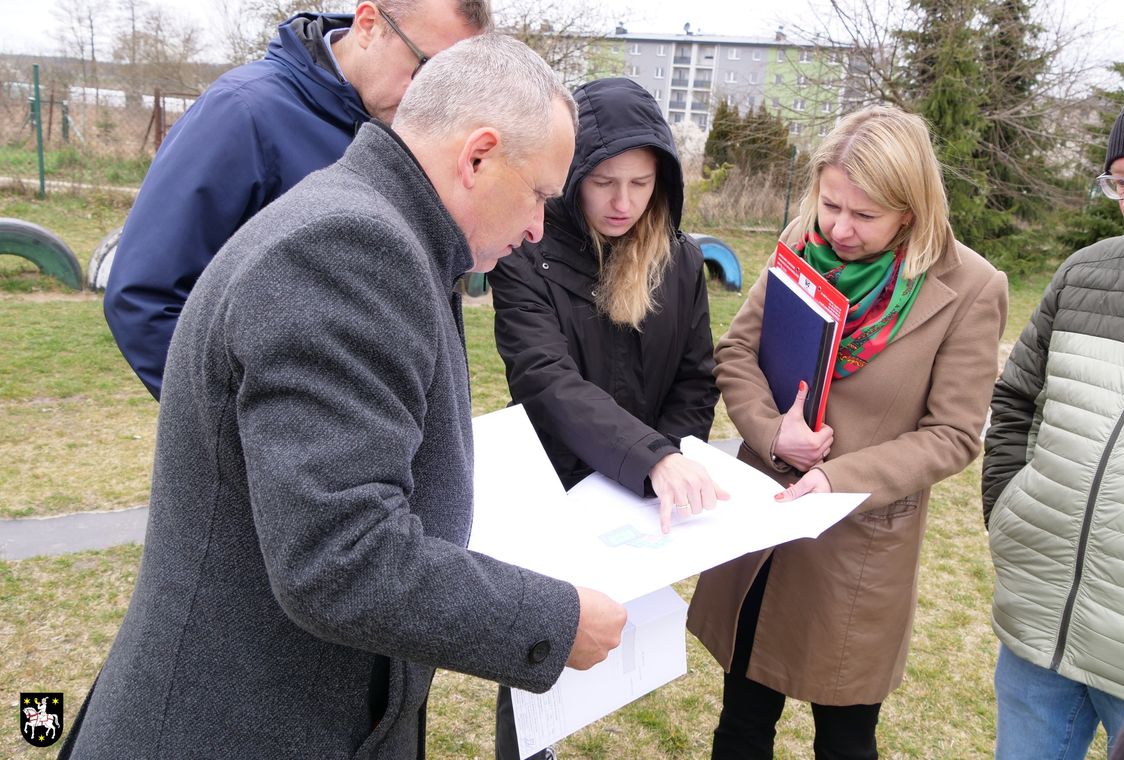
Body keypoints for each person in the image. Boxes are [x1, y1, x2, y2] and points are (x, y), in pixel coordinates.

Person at [58, 34, 627, 760]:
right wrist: (553, 620)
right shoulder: (353, 248)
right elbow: (340, 555)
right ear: (477, 156)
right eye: (542, 193)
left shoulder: (388, 230)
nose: (538, 227)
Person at [686, 106, 1009, 759]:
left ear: (910, 211)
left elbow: (952, 434)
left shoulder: (970, 288)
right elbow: (737, 354)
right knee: (743, 722)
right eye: (830, 204)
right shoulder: (802, 244)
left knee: (844, 740)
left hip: (856, 546)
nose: (838, 227)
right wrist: (775, 434)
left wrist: (836, 475)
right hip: (765, 529)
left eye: (863, 216)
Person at [487, 77, 725, 759]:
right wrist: (654, 458)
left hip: (639, 501)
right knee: (536, 670)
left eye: (642, 184)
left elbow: (694, 377)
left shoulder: (679, 260)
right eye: (603, 182)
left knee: (619, 655)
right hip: (553, 488)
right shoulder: (525, 255)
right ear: (571, 176)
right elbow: (546, 380)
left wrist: (668, 463)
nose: (622, 203)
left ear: (665, 183)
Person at [104, 0, 490, 399]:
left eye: (447, 83)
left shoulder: (410, 131)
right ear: (369, 24)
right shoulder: (242, 113)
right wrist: (246, 427)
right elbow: (145, 298)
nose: (428, 98)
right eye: (423, 67)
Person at [981, 88, 1124, 760]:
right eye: (1123, 181)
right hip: (1039, 628)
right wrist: (1008, 508)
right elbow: (1014, 400)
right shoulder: (1082, 275)